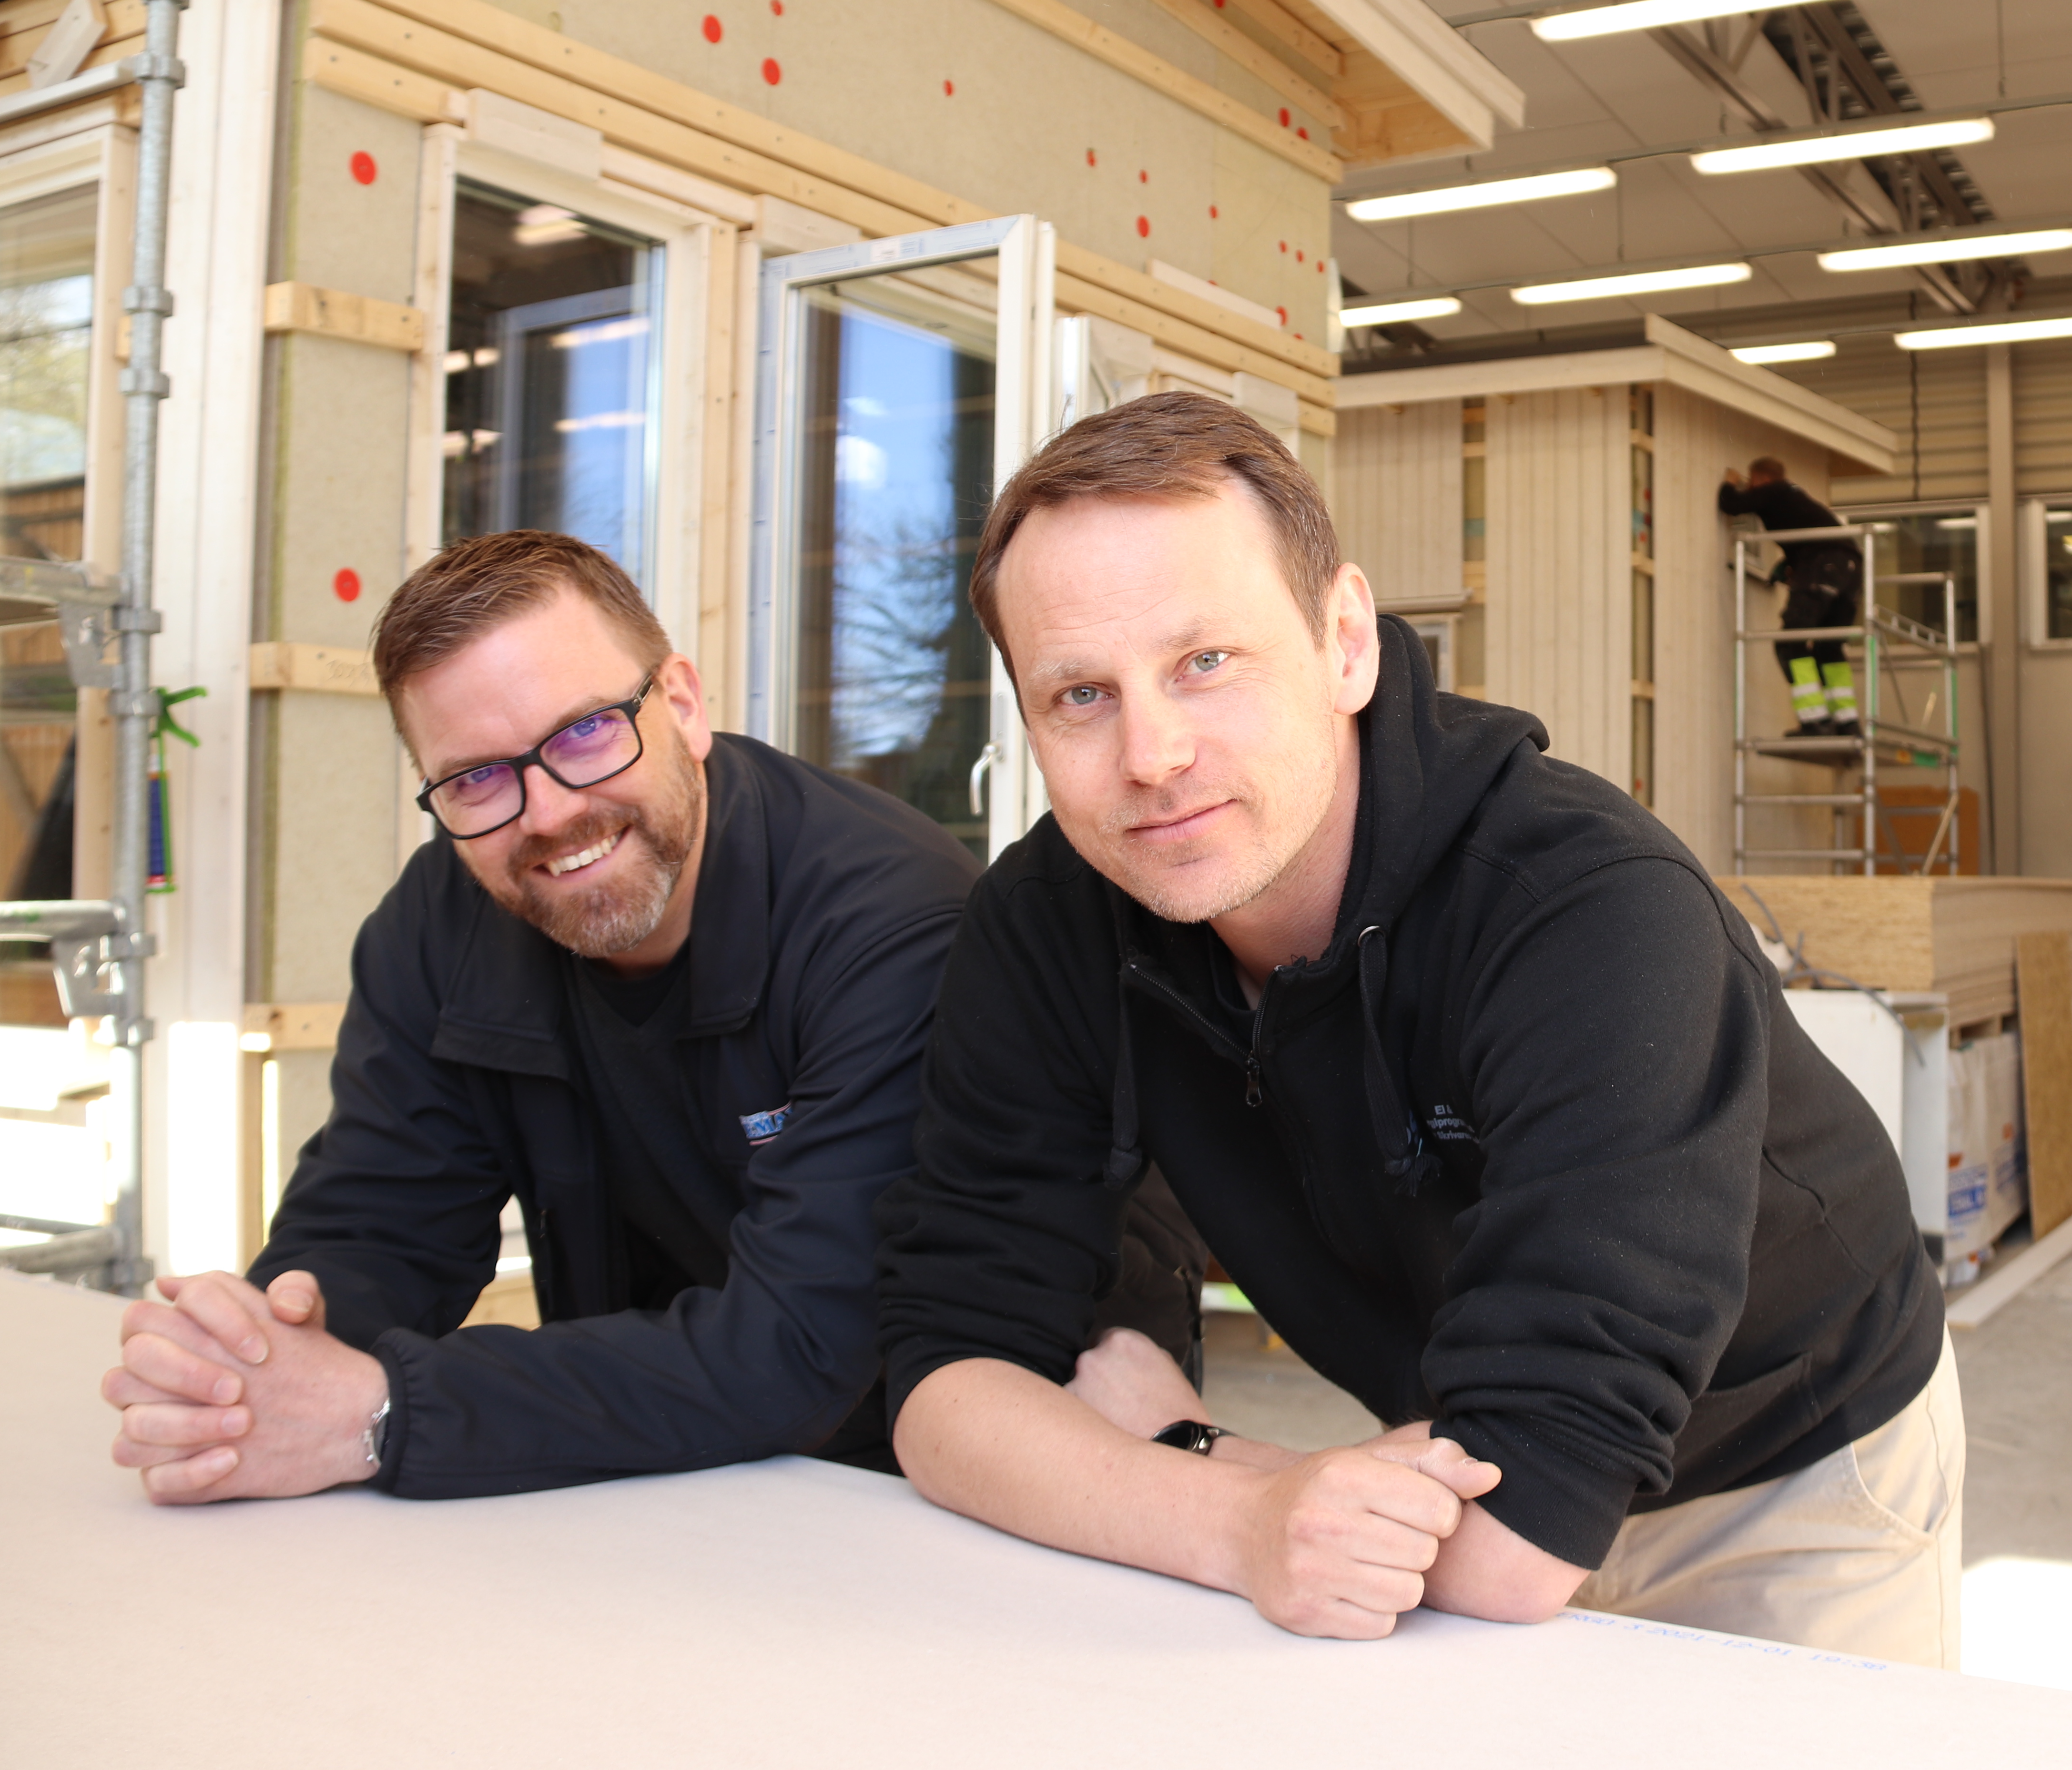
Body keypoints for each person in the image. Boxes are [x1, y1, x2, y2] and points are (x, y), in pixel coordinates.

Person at [874, 391, 1956, 1652]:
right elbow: (948, 1383)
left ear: (1345, 640)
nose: (1151, 753)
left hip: (1786, 1464)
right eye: (1079, 697)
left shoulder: (1583, 907)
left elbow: (1526, 1527)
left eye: (1203, 662)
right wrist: (1244, 1518)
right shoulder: (1052, 920)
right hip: (1456, 1444)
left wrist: (1208, 1463)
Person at [97, 531, 1202, 1502]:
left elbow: (807, 1345)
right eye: (477, 779)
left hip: (984, 1446)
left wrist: (387, 1407)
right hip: (671, 1457)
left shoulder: (894, 924)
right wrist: (258, 1361)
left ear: (682, 702)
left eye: (584, 734)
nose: (550, 810)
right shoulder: (436, 925)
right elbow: (380, 1224)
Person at [1718, 456, 1863, 736]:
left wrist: (1730, 482)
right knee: (1829, 647)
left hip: (1824, 562)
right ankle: (1848, 722)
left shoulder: (1776, 491)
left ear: (1760, 479)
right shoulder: (1797, 501)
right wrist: (1791, 567)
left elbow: (1731, 504)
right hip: (1851, 568)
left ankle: (1815, 720)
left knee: (1790, 643)